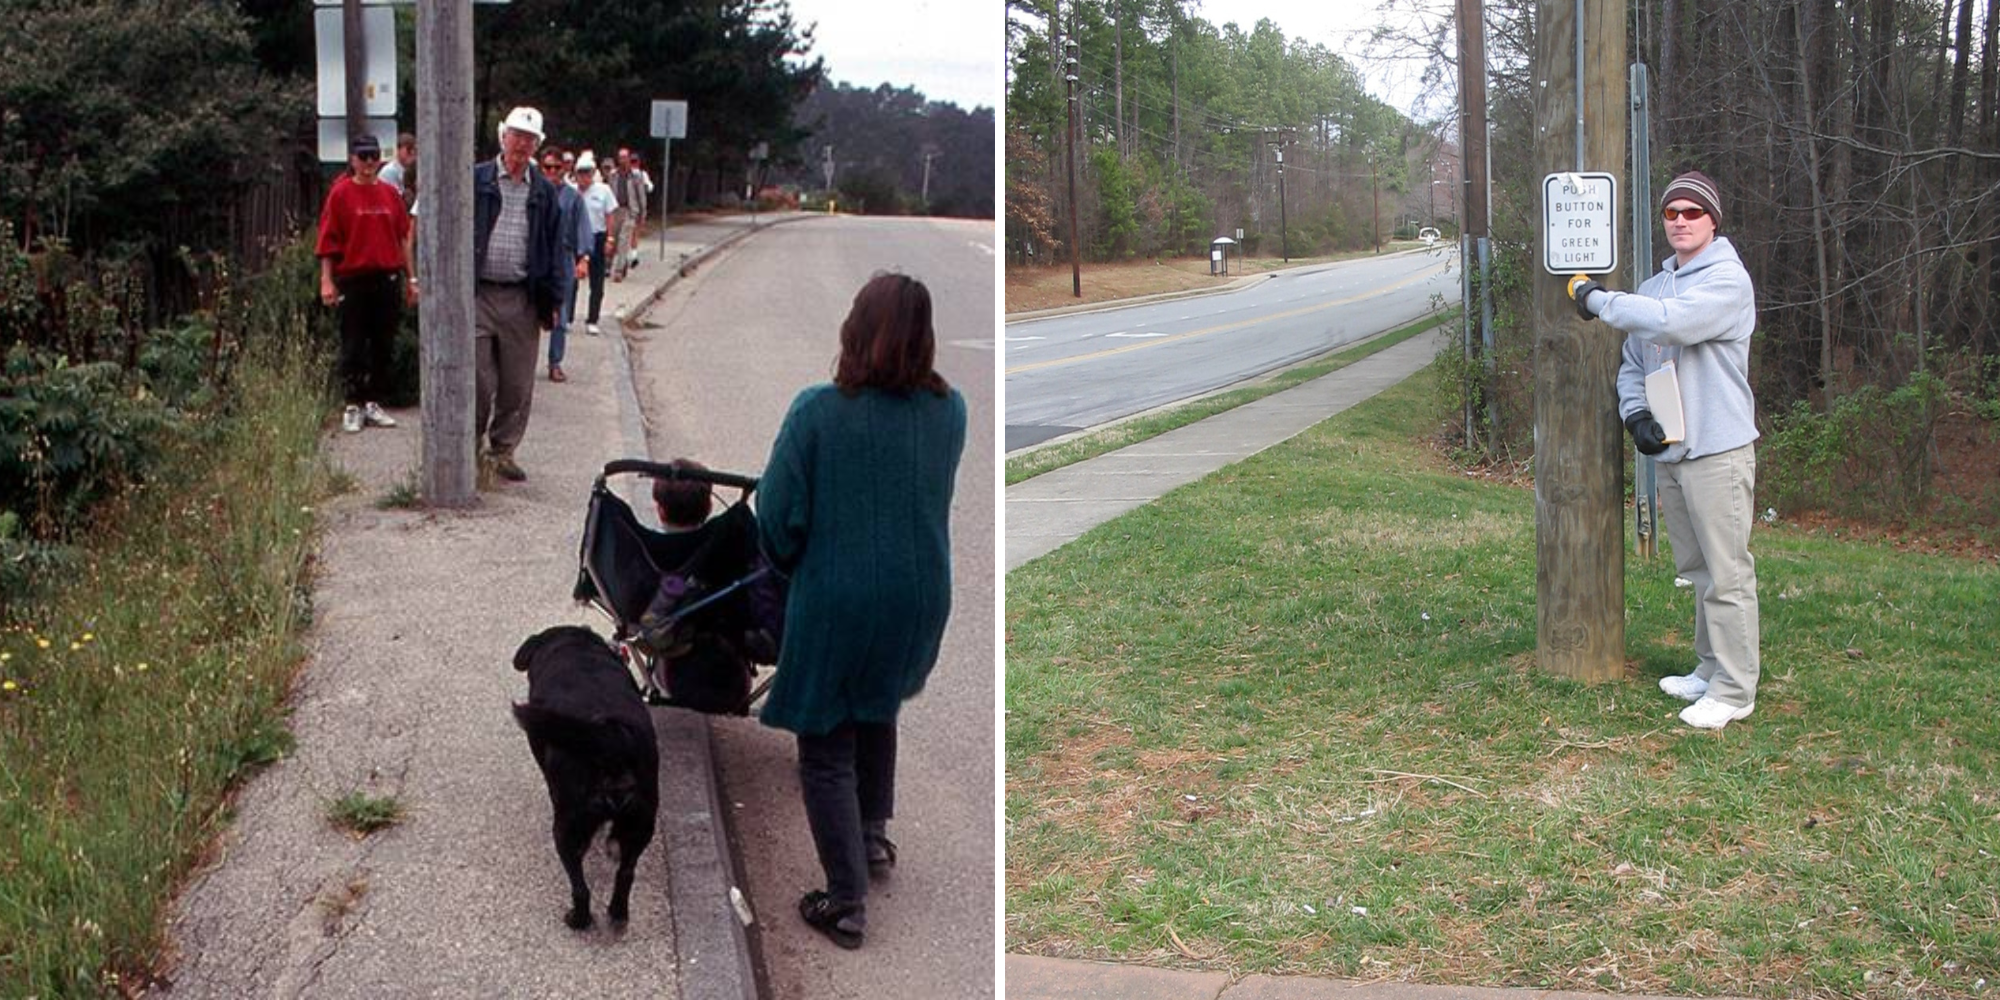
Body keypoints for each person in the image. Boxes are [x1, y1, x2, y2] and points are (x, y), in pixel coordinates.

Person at [754, 273, 966, 949]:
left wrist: (794, 566)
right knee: (878, 702)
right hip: (920, 595)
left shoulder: (818, 411)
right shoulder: (950, 410)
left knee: (824, 744)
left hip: (840, 595)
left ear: (854, 330)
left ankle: (844, 901)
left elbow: (776, 516)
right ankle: (872, 835)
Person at [1570, 170, 1761, 730]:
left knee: (1727, 574)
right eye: (1671, 213)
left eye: (1692, 213)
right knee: (1698, 571)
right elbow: (1633, 363)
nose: (1680, 221)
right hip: (1673, 454)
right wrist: (1635, 417)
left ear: (1712, 221)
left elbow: (1670, 325)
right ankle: (1710, 668)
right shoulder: (1652, 288)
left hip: (1718, 450)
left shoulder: (1727, 280)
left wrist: (1597, 299)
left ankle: (1735, 689)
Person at [472, 106, 564, 483]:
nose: (522, 143)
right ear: (502, 136)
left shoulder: (544, 191)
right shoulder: (476, 179)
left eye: (530, 138)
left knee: (517, 383)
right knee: (477, 378)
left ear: (537, 146)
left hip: (522, 298)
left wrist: (553, 301)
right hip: (478, 294)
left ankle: (503, 450)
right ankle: (467, 446)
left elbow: (554, 246)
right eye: (516, 135)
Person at [315, 132, 413, 434]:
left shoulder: (389, 194)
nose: (369, 163)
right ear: (353, 160)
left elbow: (403, 238)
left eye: (373, 157)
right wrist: (327, 281)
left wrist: (411, 278)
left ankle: (374, 400)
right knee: (353, 344)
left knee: (383, 344)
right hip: (354, 278)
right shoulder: (341, 193)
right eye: (363, 157)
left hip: (386, 277)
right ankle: (353, 403)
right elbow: (328, 241)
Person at [539, 145, 592, 383]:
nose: (552, 172)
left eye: (556, 168)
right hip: (538, 256)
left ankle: (555, 362)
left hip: (563, 257)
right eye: (547, 167)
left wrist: (584, 258)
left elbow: (583, 228)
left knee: (560, 314)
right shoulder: (534, 192)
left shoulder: (573, 197)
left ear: (564, 169)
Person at [570, 151, 616, 336]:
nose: (584, 176)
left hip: (597, 236)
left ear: (593, 173)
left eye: (588, 172)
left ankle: (592, 319)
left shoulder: (603, 190)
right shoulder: (571, 191)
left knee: (596, 282)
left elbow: (610, 215)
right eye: (581, 172)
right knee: (572, 280)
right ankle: (568, 317)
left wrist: (610, 239)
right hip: (576, 238)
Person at [610, 147, 648, 281]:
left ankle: (619, 271)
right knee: (613, 241)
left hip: (629, 211)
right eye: (620, 157)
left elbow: (641, 196)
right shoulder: (613, 175)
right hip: (615, 211)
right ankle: (620, 263)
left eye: (625, 157)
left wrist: (642, 215)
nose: (623, 160)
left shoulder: (636, 176)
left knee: (623, 240)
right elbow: (609, 193)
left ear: (629, 158)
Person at [378, 132, 417, 210]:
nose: (413, 153)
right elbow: (398, 201)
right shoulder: (389, 171)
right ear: (398, 150)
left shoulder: (413, 169)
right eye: (408, 149)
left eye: (415, 150)